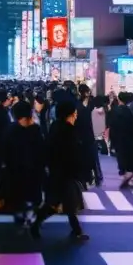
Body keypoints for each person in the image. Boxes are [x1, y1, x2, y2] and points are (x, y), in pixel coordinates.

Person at [31, 99, 89, 242]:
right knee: (62, 204)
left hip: (57, 172)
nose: (76, 116)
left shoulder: (55, 127)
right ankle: (76, 231)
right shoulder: (68, 131)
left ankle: (75, 230)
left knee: (60, 204)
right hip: (65, 173)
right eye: (74, 114)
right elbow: (72, 154)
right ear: (68, 115)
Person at [2, 100, 46, 226]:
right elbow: (42, 151)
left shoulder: (9, 130)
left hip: (16, 173)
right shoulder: (36, 130)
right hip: (33, 172)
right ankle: (31, 218)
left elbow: (5, 153)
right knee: (34, 197)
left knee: (19, 198)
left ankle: (21, 217)